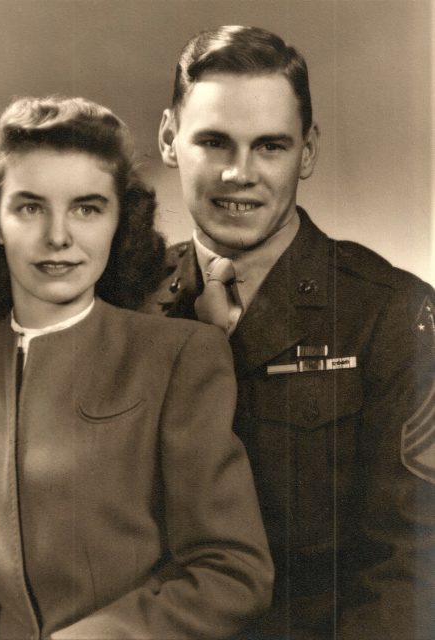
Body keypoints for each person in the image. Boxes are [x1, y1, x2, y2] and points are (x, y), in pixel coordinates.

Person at [0, 95, 274, 640]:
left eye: (87, 208)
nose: (59, 236)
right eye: (30, 207)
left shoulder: (181, 357)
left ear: (118, 224)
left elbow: (232, 572)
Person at [142, 25, 435, 639]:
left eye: (269, 147)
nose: (238, 174)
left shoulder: (391, 314)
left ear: (307, 152)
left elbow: (412, 570)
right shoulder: (121, 302)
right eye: (215, 142)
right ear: (170, 140)